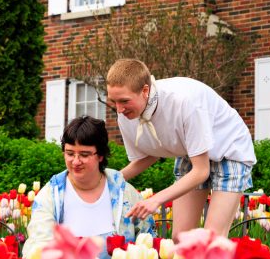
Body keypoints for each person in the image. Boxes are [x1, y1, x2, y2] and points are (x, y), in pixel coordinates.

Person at [106, 58, 256, 240]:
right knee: (180, 238)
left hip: (229, 150)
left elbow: (201, 171)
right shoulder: (126, 114)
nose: (119, 109)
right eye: (114, 102)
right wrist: (108, 180)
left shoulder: (184, 102)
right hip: (190, 152)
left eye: (124, 101)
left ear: (145, 91)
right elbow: (150, 155)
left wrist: (155, 199)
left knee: (212, 239)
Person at [22, 115, 153, 259]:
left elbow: (147, 240)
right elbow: (38, 249)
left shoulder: (125, 194)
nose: (76, 161)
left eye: (84, 154)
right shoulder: (50, 196)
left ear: (101, 155)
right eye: (70, 153)